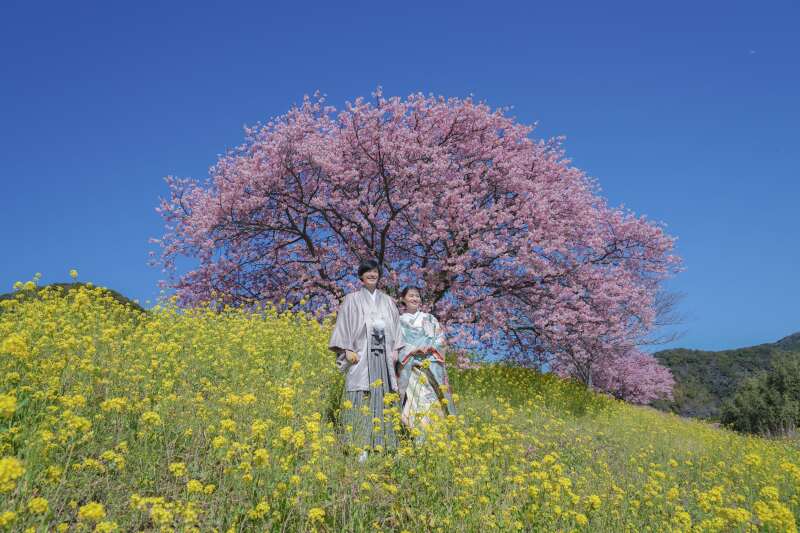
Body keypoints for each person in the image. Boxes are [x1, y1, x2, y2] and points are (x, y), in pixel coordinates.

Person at [328, 259, 405, 461]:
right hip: (361, 353)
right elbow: (344, 324)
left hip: (384, 354)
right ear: (361, 276)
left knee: (383, 395)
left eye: (375, 272)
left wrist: (395, 349)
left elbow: (396, 326)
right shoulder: (352, 299)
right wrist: (346, 348)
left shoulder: (388, 300)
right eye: (368, 272)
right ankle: (358, 446)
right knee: (359, 395)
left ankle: (383, 444)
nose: (372, 274)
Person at [397, 286, 456, 438]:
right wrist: (413, 349)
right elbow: (396, 344)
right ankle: (417, 439)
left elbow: (440, 340)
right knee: (413, 404)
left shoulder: (430, 319)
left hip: (430, 366)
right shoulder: (399, 321)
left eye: (417, 296)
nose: (414, 299)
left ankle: (437, 440)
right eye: (411, 295)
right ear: (403, 299)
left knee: (434, 402)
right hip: (411, 368)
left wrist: (430, 347)